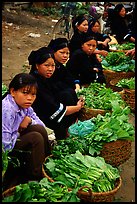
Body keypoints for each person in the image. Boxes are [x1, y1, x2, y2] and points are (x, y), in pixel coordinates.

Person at [2, 73, 51, 181]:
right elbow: (5, 146)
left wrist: (29, 120)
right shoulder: (7, 109)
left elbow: (40, 123)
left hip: (13, 139)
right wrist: (18, 130)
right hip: (6, 148)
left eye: (33, 94)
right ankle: (35, 177)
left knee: (39, 129)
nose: (30, 98)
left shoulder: (25, 106)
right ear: (13, 91)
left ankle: (46, 163)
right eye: (25, 93)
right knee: (35, 138)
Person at [28, 46, 84, 140]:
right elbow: (52, 108)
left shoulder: (46, 79)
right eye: (46, 65)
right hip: (38, 118)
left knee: (67, 93)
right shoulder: (35, 83)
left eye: (53, 65)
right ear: (37, 66)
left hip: (46, 113)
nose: (50, 69)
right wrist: (77, 108)